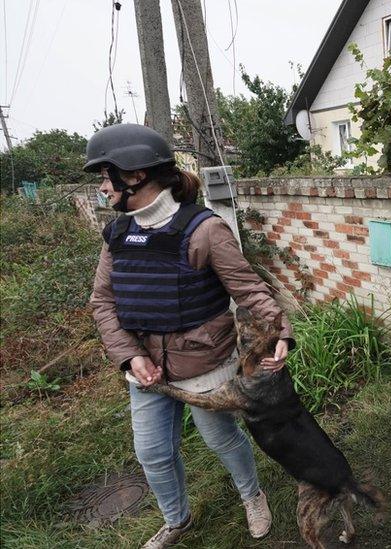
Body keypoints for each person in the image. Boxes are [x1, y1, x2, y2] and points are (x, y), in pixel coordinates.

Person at [86, 124, 294, 548]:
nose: (102, 187)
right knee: (153, 454)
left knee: (221, 438)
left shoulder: (204, 230)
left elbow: (249, 289)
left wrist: (280, 334)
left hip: (205, 365)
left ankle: (253, 495)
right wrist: (130, 357)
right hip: (146, 371)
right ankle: (176, 520)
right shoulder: (117, 235)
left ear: (135, 175)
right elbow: (102, 302)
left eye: (106, 175)